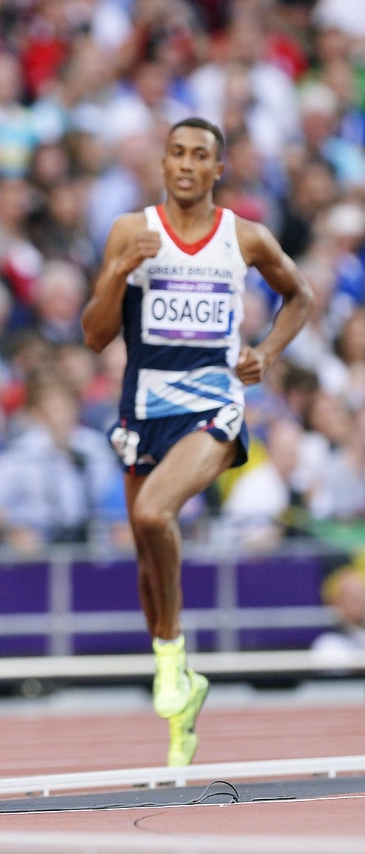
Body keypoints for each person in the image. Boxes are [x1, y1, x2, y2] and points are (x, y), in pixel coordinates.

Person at [81, 117, 313, 766]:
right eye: (176, 153)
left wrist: (266, 352)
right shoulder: (131, 231)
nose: (186, 164)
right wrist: (118, 272)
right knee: (146, 563)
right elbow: (94, 336)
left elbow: (300, 296)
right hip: (143, 407)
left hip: (214, 403)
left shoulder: (245, 236)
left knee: (155, 513)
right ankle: (183, 692)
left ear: (218, 169)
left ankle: (171, 653)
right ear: (163, 164)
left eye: (199, 155)